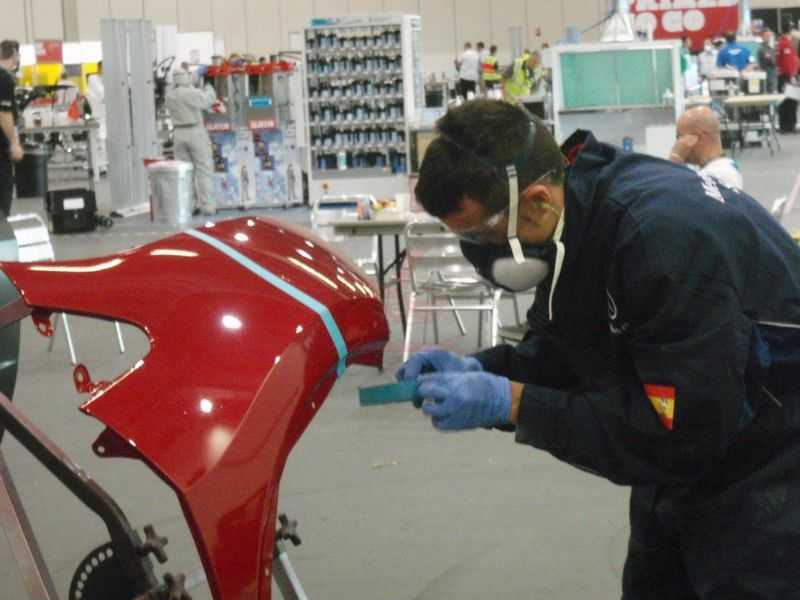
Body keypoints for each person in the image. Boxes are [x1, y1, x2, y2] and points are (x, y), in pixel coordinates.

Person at [400, 99, 800, 599]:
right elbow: (571, 347)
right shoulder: (579, 212)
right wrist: (483, 370)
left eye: (483, 234)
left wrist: (516, 402)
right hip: (688, 452)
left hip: (769, 459)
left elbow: (680, 435)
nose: (478, 252)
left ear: (537, 200)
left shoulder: (661, 241)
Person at [166, 70, 217, 216]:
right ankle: (208, 206)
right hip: (195, 132)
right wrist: (209, 86)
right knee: (203, 170)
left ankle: (189, 206)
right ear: (186, 78)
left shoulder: (170, 94)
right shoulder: (189, 92)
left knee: (185, 173)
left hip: (178, 134)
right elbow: (207, 100)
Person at [670, 106, 742, 190]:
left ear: (699, 137)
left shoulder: (717, 175)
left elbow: (669, 192)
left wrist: (676, 157)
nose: (678, 143)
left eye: (680, 137)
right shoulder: (725, 166)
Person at [0, 40, 22, 218]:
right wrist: (14, 143)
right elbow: (4, 113)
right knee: (3, 198)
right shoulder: (4, 78)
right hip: (1, 150)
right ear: (14, 55)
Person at [776, 23, 799, 132]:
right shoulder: (786, 44)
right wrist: (792, 76)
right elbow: (788, 62)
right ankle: (788, 126)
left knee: (787, 101)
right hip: (787, 77)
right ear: (790, 32)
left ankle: (786, 126)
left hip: (785, 77)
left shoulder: (782, 43)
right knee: (790, 102)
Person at [757, 28, 778, 93]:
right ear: (762, 37)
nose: (769, 38)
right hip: (767, 79)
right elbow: (772, 61)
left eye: (770, 36)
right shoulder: (762, 49)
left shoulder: (773, 48)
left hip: (774, 78)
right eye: (767, 36)